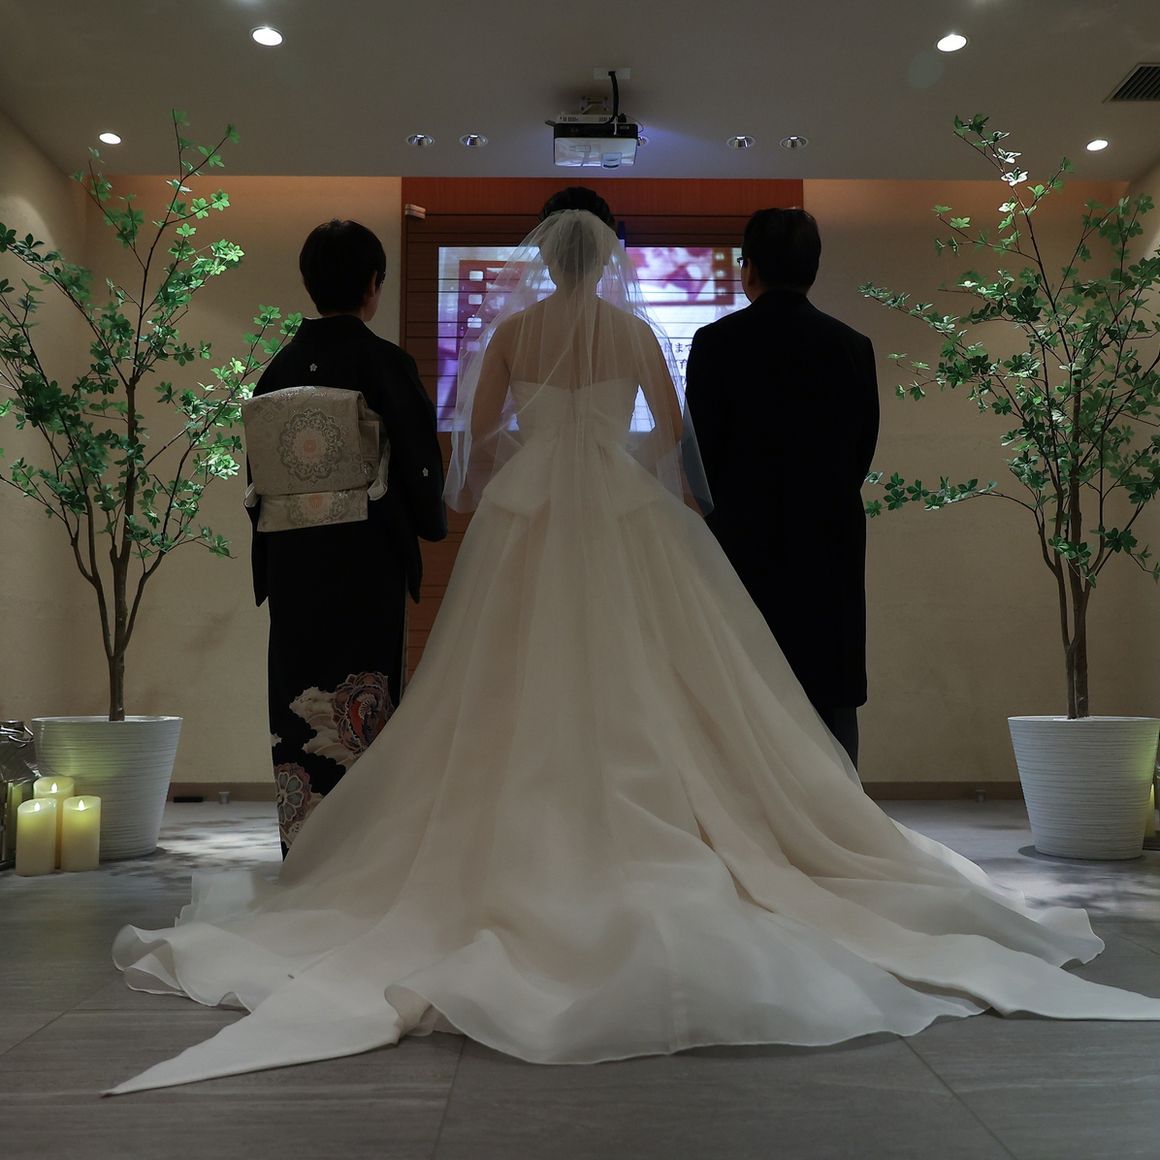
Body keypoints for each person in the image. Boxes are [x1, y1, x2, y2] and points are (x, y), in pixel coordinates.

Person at [108, 194, 1160, 1096]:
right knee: (653, 677)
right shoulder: (638, 334)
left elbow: (475, 450)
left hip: (528, 519)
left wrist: (529, 462)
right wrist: (612, 460)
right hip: (621, 510)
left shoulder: (513, 333)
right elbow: (671, 438)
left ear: (542, 254)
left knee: (503, 681)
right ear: (609, 256)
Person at [248, 220, 446, 854]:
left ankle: (303, 847)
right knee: (365, 693)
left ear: (308, 284)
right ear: (373, 285)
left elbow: (260, 479)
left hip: (293, 561)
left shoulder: (276, 371)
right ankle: (366, 852)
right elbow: (417, 461)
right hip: (365, 560)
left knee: (298, 694)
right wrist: (428, 519)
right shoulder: (386, 363)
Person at [685, 208, 878, 769]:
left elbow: (699, 453)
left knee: (742, 685)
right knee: (829, 687)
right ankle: (839, 807)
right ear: (813, 268)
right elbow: (861, 449)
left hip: (740, 540)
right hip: (830, 537)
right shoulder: (852, 345)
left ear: (749, 269)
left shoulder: (715, 342)